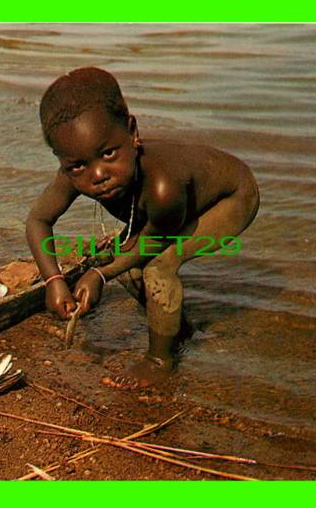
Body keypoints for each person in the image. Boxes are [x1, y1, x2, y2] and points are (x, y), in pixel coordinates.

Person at [25, 67, 260, 389]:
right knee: (124, 262)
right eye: (77, 165)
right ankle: (178, 331)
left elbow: (153, 243)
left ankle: (160, 361)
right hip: (172, 211)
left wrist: (98, 275)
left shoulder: (163, 186)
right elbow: (39, 220)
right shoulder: (74, 173)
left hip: (231, 197)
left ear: (132, 132)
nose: (97, 175)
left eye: (108, 154)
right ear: (62, 160)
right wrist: (54, 281)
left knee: (158, 268)